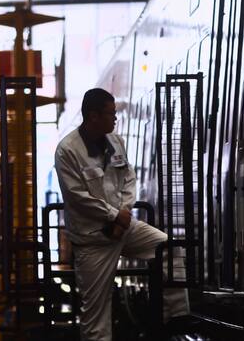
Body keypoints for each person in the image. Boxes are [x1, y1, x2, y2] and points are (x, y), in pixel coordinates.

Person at [55, 88, 169, 341]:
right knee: (96, 320)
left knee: (167, 249)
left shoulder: (115, 142)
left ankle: (176, 317)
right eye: (111, 113)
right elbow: (77, 196)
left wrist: (124, 213)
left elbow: (128, 179)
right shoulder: (68, 150)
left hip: (123, 229)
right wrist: (114, 215)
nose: (116, 118)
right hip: (93, 240)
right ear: (93, 116)